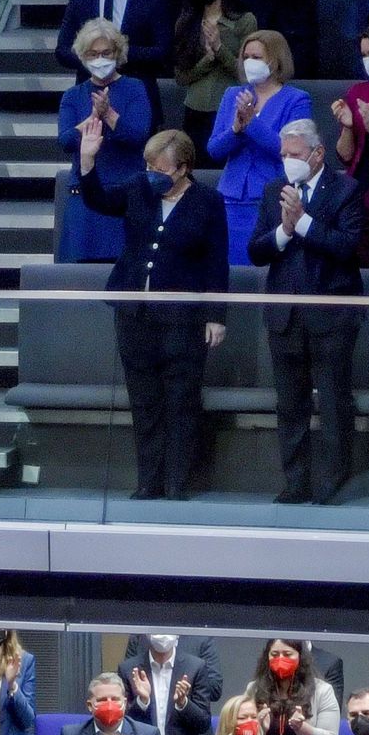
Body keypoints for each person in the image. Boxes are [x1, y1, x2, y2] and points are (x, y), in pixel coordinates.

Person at [81, 124, 228, 501]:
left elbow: (216, 261)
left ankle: (178, 481)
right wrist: (87, 158)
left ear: (182, 169)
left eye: (161, 169)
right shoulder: (137, 188)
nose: (153, 175)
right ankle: (149, 479)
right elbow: (96, 199)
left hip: (183, 319)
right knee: (144, 400)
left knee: (181, 400)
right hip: (135, 315)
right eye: (149, 166)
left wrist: (216, 315)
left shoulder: (207, 202)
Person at [247, 104, 368, 493]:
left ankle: (332, 482)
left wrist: (303, 223)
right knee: (290, 405)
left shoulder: (346, 189)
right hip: (284, 315)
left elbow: (347, 247)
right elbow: (256, 252)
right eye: (283, 155)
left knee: (333, 402)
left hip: (330, 314)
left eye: (295, 155)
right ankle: (295, 482)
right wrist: (283, 231)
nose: (288, 162)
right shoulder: (272, 192)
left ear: (317, 154)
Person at [207, 30, 310, 266]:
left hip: (271, 198)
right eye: (246, 56)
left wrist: (252, 123)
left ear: (275, 60)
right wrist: (236, 128)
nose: (250, 62)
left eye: (257, 57)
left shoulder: (296, 99)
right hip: (231, 199)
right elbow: (214, 150)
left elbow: (288, 149)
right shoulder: (232, 94)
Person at [58, 18, 155, 264]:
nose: (100, 59)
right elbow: (66, 141)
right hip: (84, 195)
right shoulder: (73, 95)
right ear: (83, 56)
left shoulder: (135, 88)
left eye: (106, 52)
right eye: (93, 54)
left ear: (117, 53)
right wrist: (92, 118)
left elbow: (138, 136)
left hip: (123, 196)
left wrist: (109, 114)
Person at [57, 0, 171, 128]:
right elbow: (62, 51)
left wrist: (119, 55)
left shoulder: (151, 0)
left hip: (137, 99)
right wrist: (94, 59)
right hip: (89, 99)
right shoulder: (80, 1)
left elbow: (163, 51)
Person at [172, 0, 254, 161]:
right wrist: (207, 60)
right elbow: (181, 76)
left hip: (229, 110)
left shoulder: (244, 21)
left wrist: (219, 49)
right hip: (195, 110)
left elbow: (247, 74)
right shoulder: (186, 22)